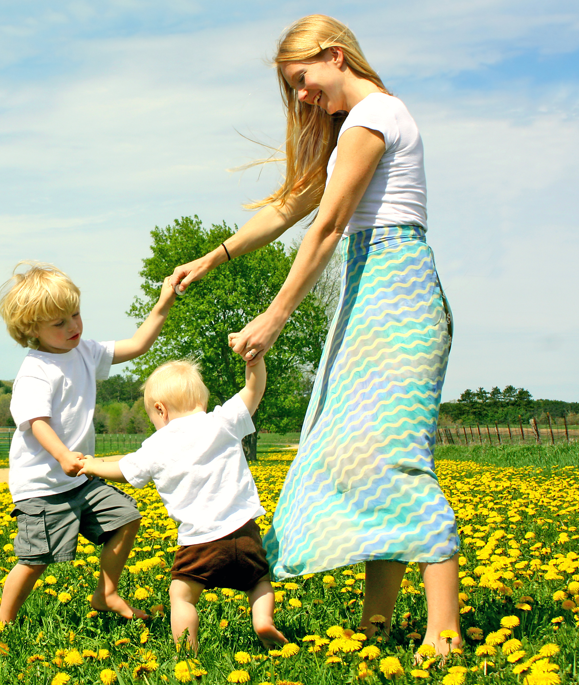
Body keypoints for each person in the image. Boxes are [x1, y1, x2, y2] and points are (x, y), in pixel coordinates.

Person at [169, 15, 461, 654]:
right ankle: (377, 626)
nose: (303, 97)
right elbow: (285, 208)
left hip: (398, 293)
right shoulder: (352, 130)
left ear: (335, 55)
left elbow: (327, 228)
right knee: (360, 457)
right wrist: (212, 258)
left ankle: (445, 637)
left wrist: (272, 320)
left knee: (393, 459)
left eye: (303, 81)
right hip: (373, 292)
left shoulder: (374, 116)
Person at [0, 261, 176, 623]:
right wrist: (62, 455)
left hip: (79, 478)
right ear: (32, 329)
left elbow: (139, 344)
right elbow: (36, 423)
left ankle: (106, 593)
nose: (73, 326)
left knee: (126, 518)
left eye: (75, 314)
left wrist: (165, 300)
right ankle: (2, 622)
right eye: (59, 323)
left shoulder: (85, 352)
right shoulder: (35, 370)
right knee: (35, 560)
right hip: (43, 487)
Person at [79, 358, 287, 652]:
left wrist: (92, 466)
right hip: (245, 533)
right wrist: (255, 359)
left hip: (199, 542)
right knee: (259, 581)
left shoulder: (157, 444)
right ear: (201, 401)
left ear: (160, 409)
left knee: (181, 596)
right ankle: (263, 619)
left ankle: (187, 652)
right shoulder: (222, 422)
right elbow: (254, 390)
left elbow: (125, 472)